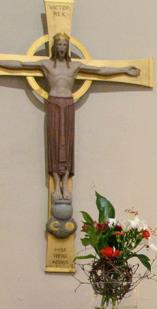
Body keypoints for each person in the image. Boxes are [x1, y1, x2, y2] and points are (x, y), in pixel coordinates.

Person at [3, 33, 140, 199]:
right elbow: (20, 64)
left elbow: (100, 70)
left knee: (66, 142)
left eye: (64, 45)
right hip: (53, 102)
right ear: (55, 47)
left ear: (67, 48)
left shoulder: (75, 66)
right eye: (59, 45)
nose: (62, 48)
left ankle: (65, 184)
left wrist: (123, 69)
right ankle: (56, 185)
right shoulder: (46, 64)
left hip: (68, 103)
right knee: (54, 141)